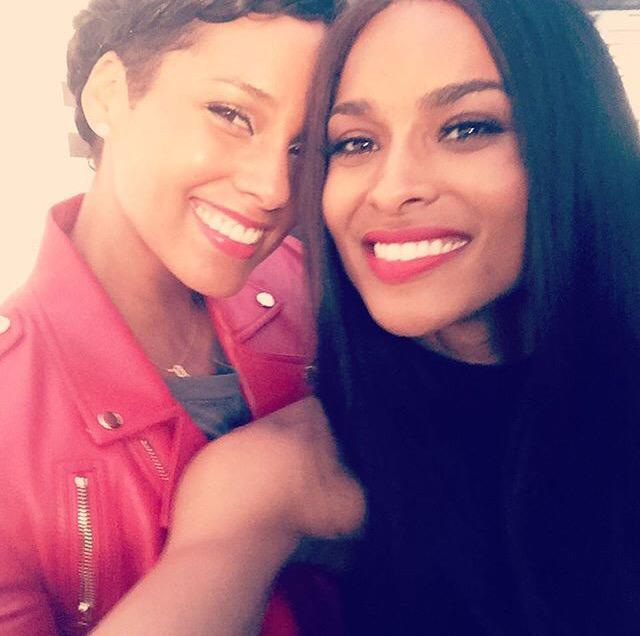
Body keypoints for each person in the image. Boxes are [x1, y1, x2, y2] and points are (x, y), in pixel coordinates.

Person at [77, 0, 640, 634]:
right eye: (355, 142)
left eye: (466, 128)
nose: (391, 188)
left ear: (578, 139)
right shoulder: (281, 473)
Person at [0, 1, 344, 634]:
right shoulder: (10, 417)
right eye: (232, 115)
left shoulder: (319, 288)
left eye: (305, 147)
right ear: (108, 94)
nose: (274, 188)